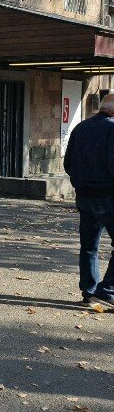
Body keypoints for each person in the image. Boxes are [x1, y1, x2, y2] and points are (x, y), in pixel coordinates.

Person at [63, 92, 114, 306]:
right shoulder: (113, 128)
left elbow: (68, 163)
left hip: (84, 196)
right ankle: (107, 289)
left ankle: (89, 291)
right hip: (109, 196)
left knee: (89, 246)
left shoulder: (80, 127)